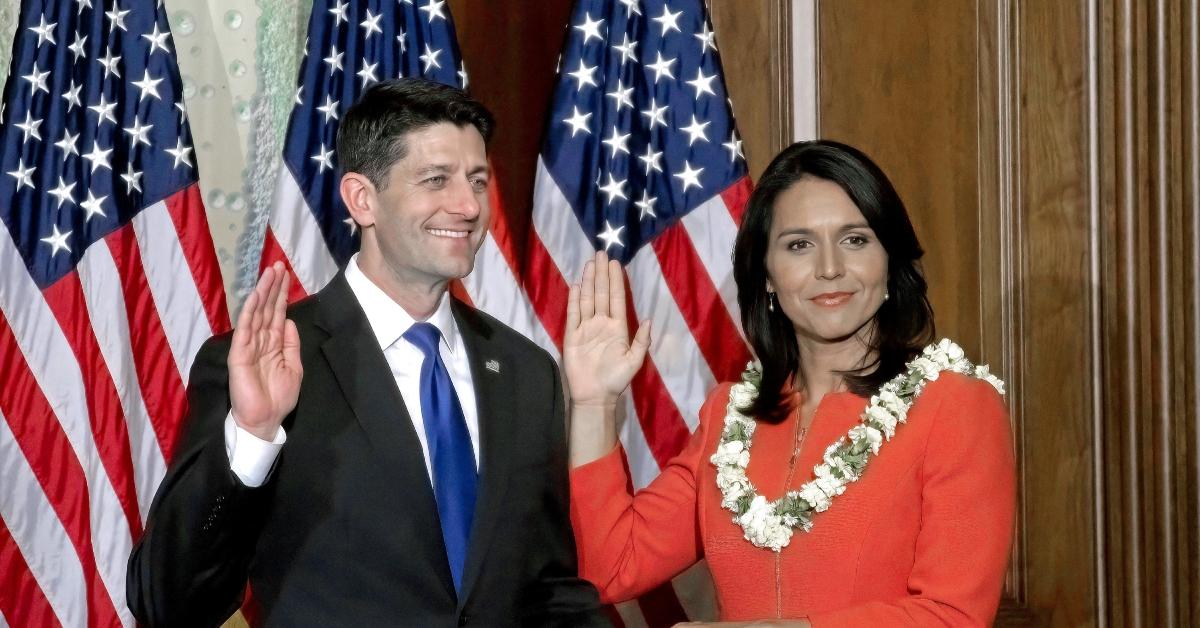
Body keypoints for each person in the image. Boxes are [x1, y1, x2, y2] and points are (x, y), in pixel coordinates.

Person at [128, 79, 605, 627]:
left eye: (478, 180)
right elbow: (166, 601)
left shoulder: (526, 371)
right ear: (362, 198)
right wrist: (253, 436)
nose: (469, 205)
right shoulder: (271, 363)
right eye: (436, 180)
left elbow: (548, 592)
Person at [564, 140, 1015, 626]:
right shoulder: (729, 416)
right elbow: (611, 568)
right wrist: (593, 403)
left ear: (889, 259)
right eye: (799, 244)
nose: (828, 268)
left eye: (855, 240)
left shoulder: (956, 404)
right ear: (768, 276)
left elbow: (954, 616)